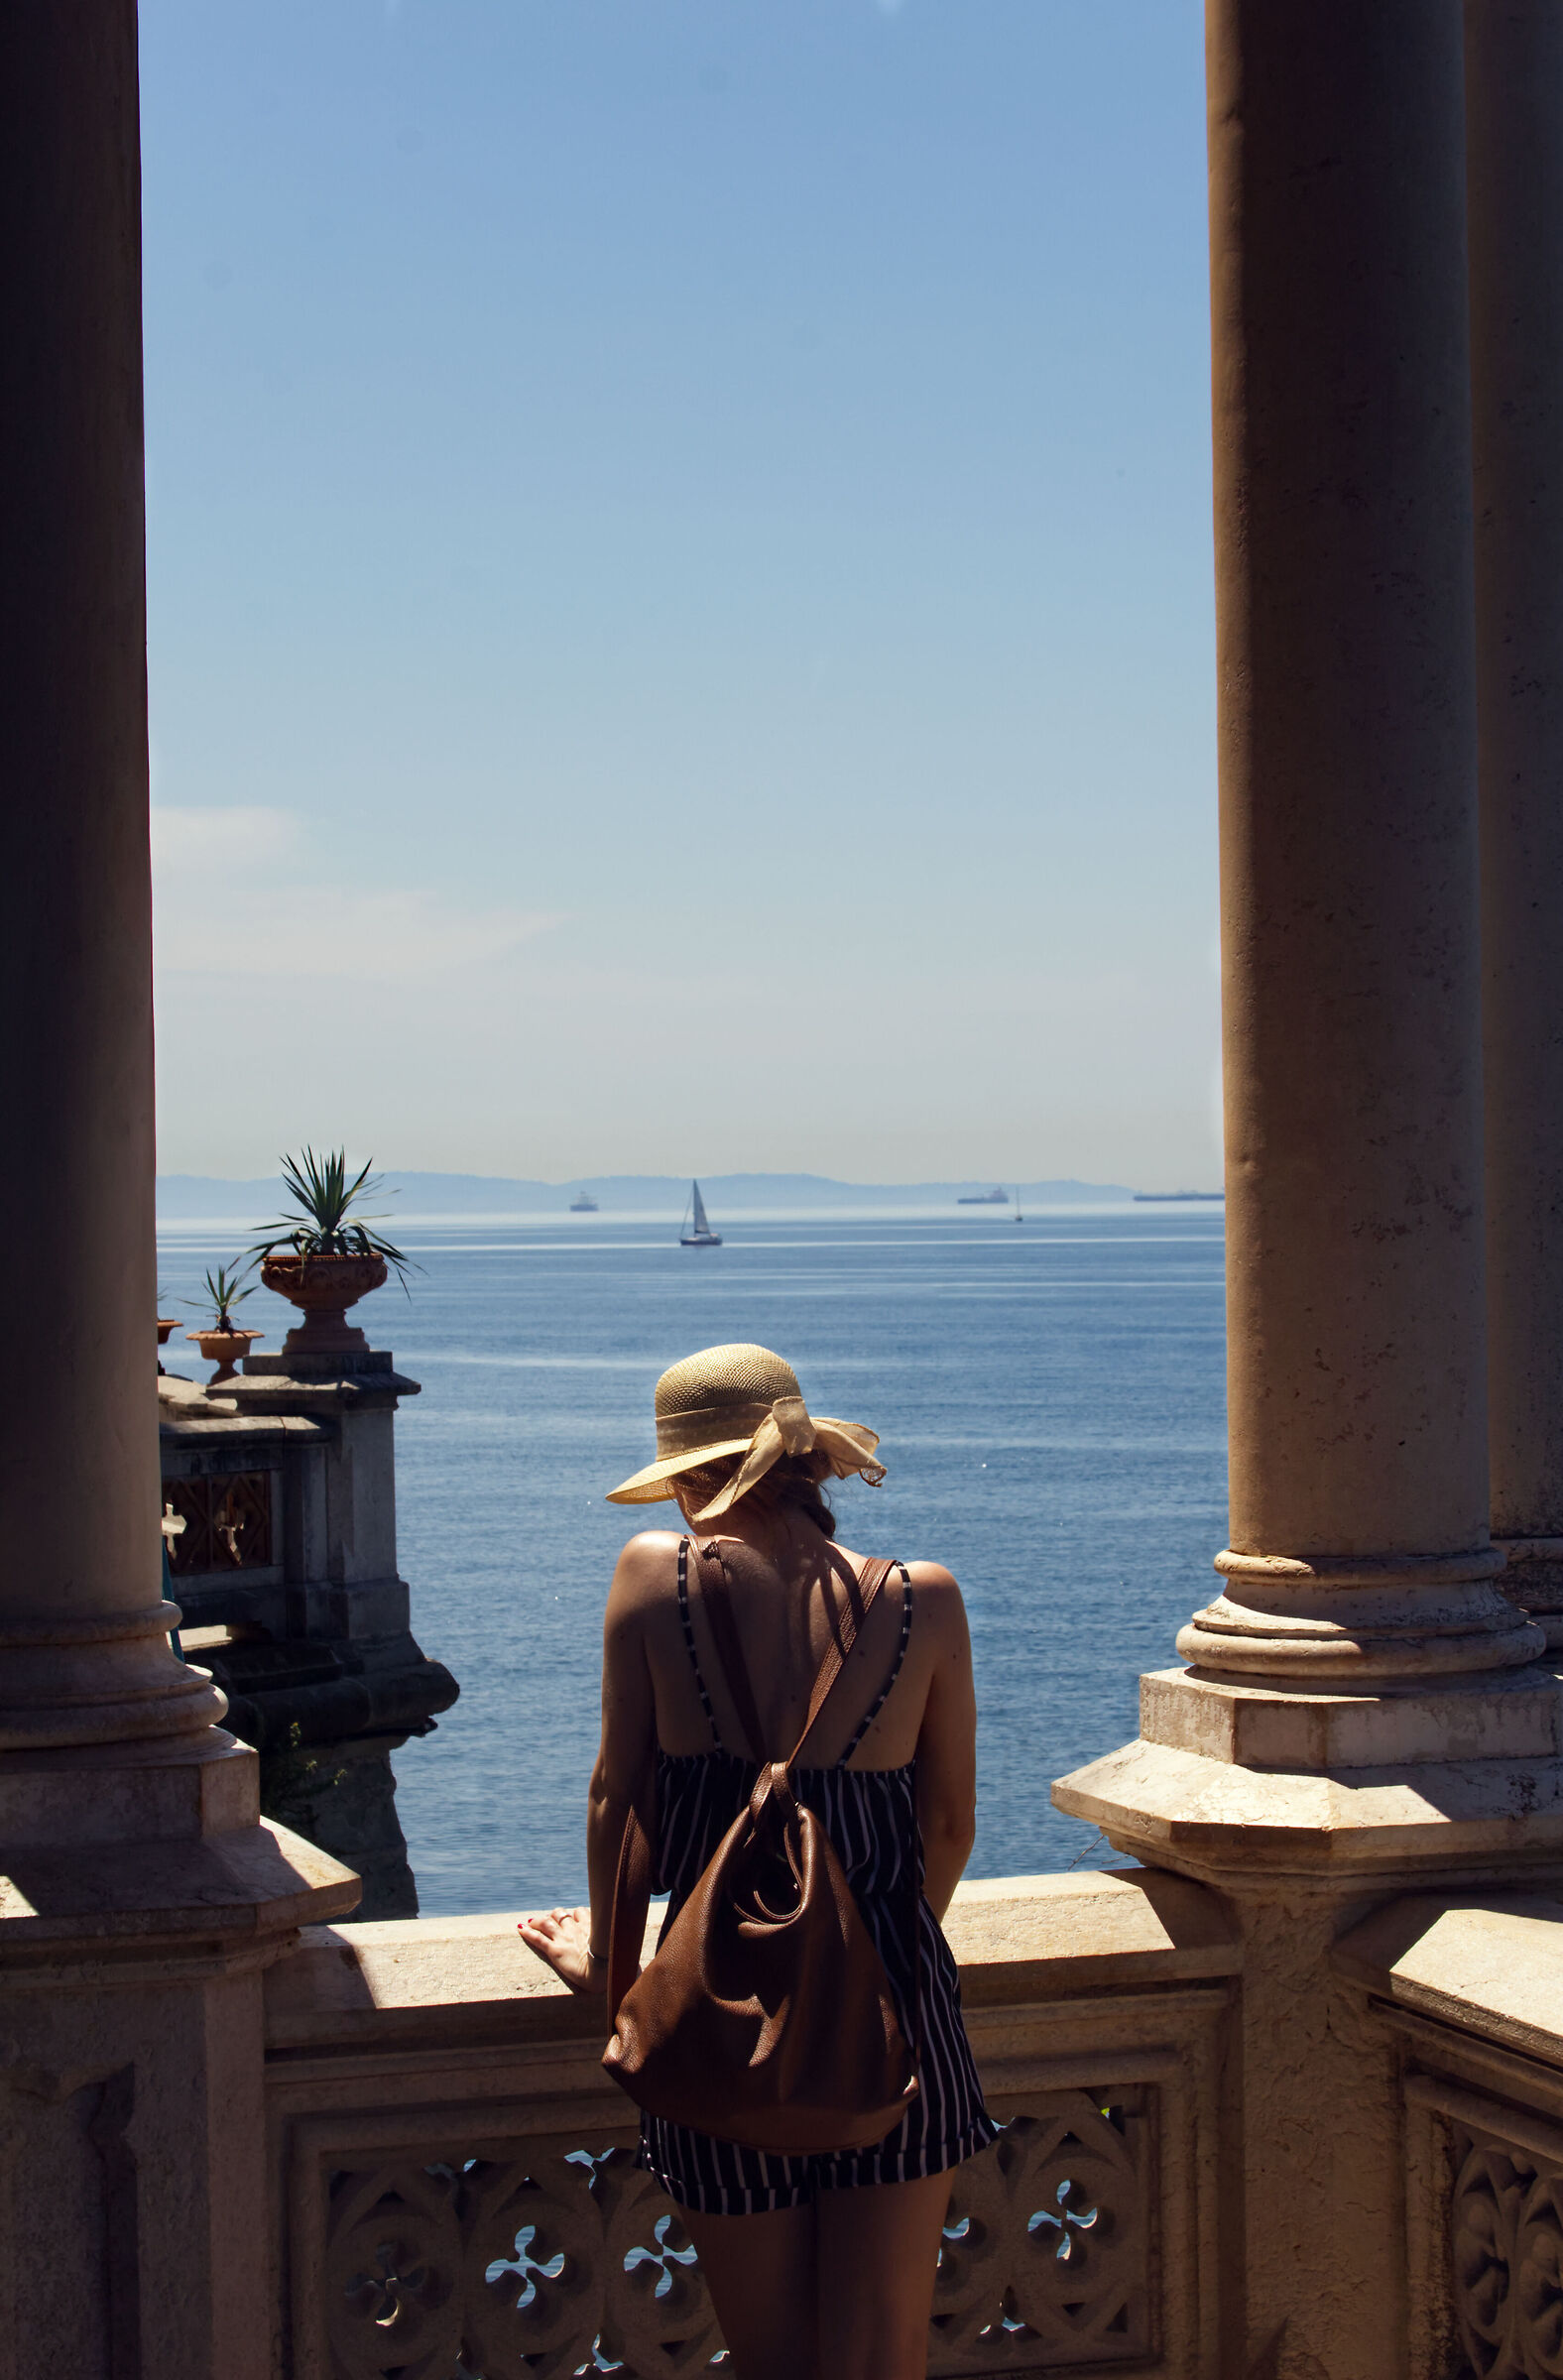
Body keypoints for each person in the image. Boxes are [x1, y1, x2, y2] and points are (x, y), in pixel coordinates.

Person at [520, 1342, 997, 2380]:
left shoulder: (656, 1574)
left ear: (695, 1477)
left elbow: (618, 1795)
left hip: (714, 2026)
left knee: (774, 2359)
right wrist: (863, 1974)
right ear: (809, 1465)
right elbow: (949, 1827)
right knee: (880, 2359)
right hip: (899, 2025)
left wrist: (614, 1975)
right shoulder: (926, 1600)